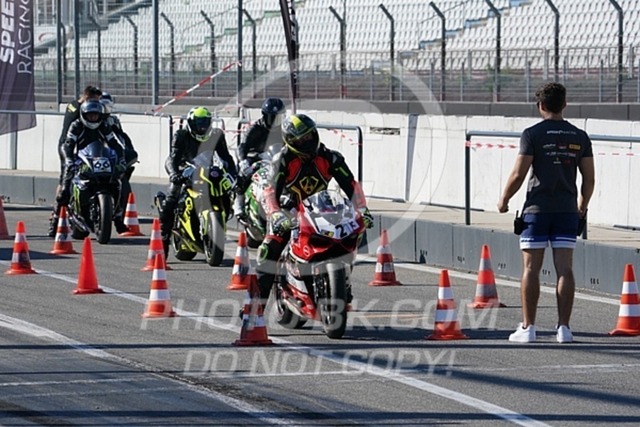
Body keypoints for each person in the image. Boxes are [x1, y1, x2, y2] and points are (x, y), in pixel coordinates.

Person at [497, 82, 595, 344]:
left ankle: (528, 328)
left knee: (531, 268)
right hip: (566, 211)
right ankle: (564, 328)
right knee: (565, 268)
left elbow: (519, 174)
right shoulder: (580, 136)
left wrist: (504, 200)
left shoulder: (532, 134)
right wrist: (582, 206)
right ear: (565, 104)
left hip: (537, 211)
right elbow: (589, 179)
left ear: (540, 105)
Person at [255, 113, 374, 306]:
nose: (306, 142)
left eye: (308, 136)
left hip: (320, 210)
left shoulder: (330, 157)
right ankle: (255, 307)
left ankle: (342, 281)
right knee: (269, 249)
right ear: (290, 142)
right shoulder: (282, 160)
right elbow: (270, 191)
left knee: (350, 232)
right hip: (288, 210)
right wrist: (275, 213)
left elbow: (351, 185)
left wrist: (362, 209)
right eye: (300, 140)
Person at [158, 106, 238, 254]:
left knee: (226, 191)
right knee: (172, 197)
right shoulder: (181, 135)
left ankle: (216, 224)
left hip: (207, 171)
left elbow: (226, 158)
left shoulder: (217, 135)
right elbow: (173, 158)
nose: (202, 127)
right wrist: (174, 174)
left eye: (205, 123)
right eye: (199, 123)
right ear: (190, 123)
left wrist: (233, 174)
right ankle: (163, 237)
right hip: (184, 169)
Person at [55, 100, 126, 217]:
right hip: (81, 158)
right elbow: (68, 144)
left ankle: (118, 213)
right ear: (84, 115)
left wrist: (121, 159)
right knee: (66, 181)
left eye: (95, 115)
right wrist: (69, 159)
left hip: (100, 158)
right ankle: (56, 215)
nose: (93, 118)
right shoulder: (76, 125)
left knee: (118, 181)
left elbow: (114, 144)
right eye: (90, 115)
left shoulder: (104, 125)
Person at [49, 85, 103, 236]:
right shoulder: (78, 109)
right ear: (87, 97)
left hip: (81, 147)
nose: (95, 105)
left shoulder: (74, 105)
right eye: (94, 100)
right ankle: (56, 216)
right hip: (68, 146)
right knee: (65, 179)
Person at [233, 97, 287, 220]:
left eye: (278, 118)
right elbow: (242, 146)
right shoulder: (255, 128)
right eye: (272, 118)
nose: (275, 121)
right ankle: (239, 201)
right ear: (265, 116)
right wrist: (243, 161)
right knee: (244, 173)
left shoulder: (284, 129)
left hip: (277, 157)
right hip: (256, 158)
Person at [100, 92, 139, 234]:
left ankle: (119, 215)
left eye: (107, 106)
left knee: (123, 180)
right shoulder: (85, 118)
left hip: (110, 157)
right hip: (93, 157)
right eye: (102, 106)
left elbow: (121, 138)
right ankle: (62, 210)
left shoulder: (113, 121)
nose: (105, 109)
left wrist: (128, 151)